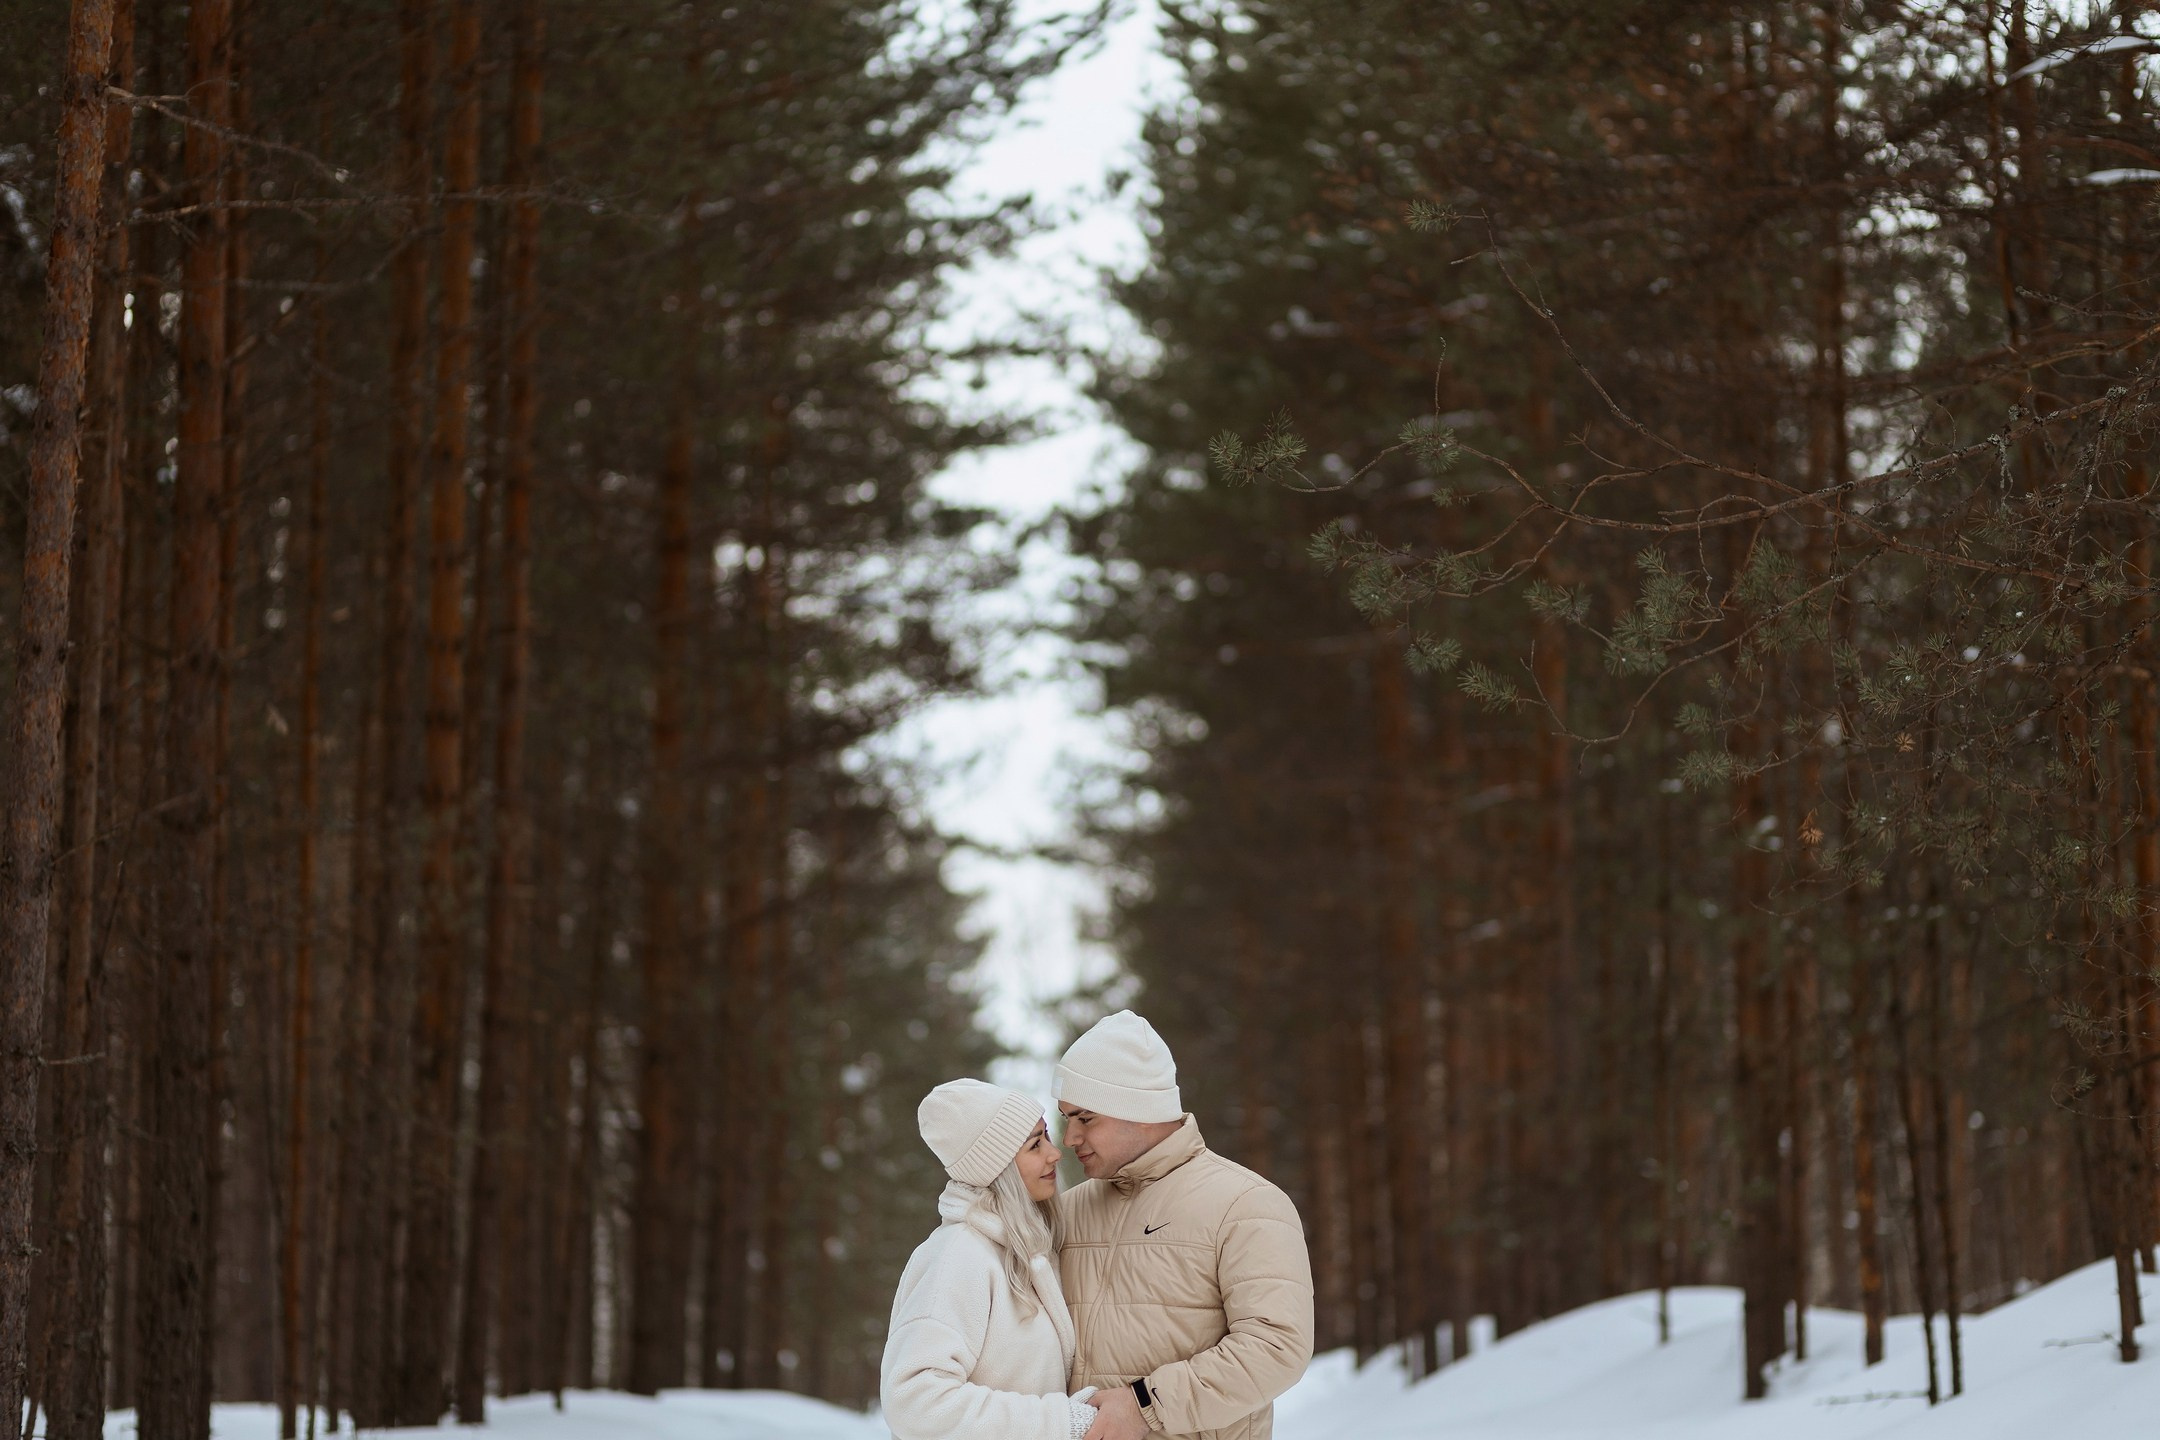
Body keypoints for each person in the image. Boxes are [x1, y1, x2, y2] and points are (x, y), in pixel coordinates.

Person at [1055, 1011, 1314, 1440]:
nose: (1070, 1139)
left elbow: (1276, 1347)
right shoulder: (1069, 1211)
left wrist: (1144, 1407)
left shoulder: (1245, 1203)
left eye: (1085, 1118)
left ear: (1138, 1108)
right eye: (1066, 1119)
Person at [882, 1078, 1104, 1440]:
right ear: (997, 1167)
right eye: (1035, 1145)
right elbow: (915, 1402)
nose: (1054, 1153)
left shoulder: (1021, 1249)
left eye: (1046, 1135)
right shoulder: (960, 1255)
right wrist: (1061, 1422)